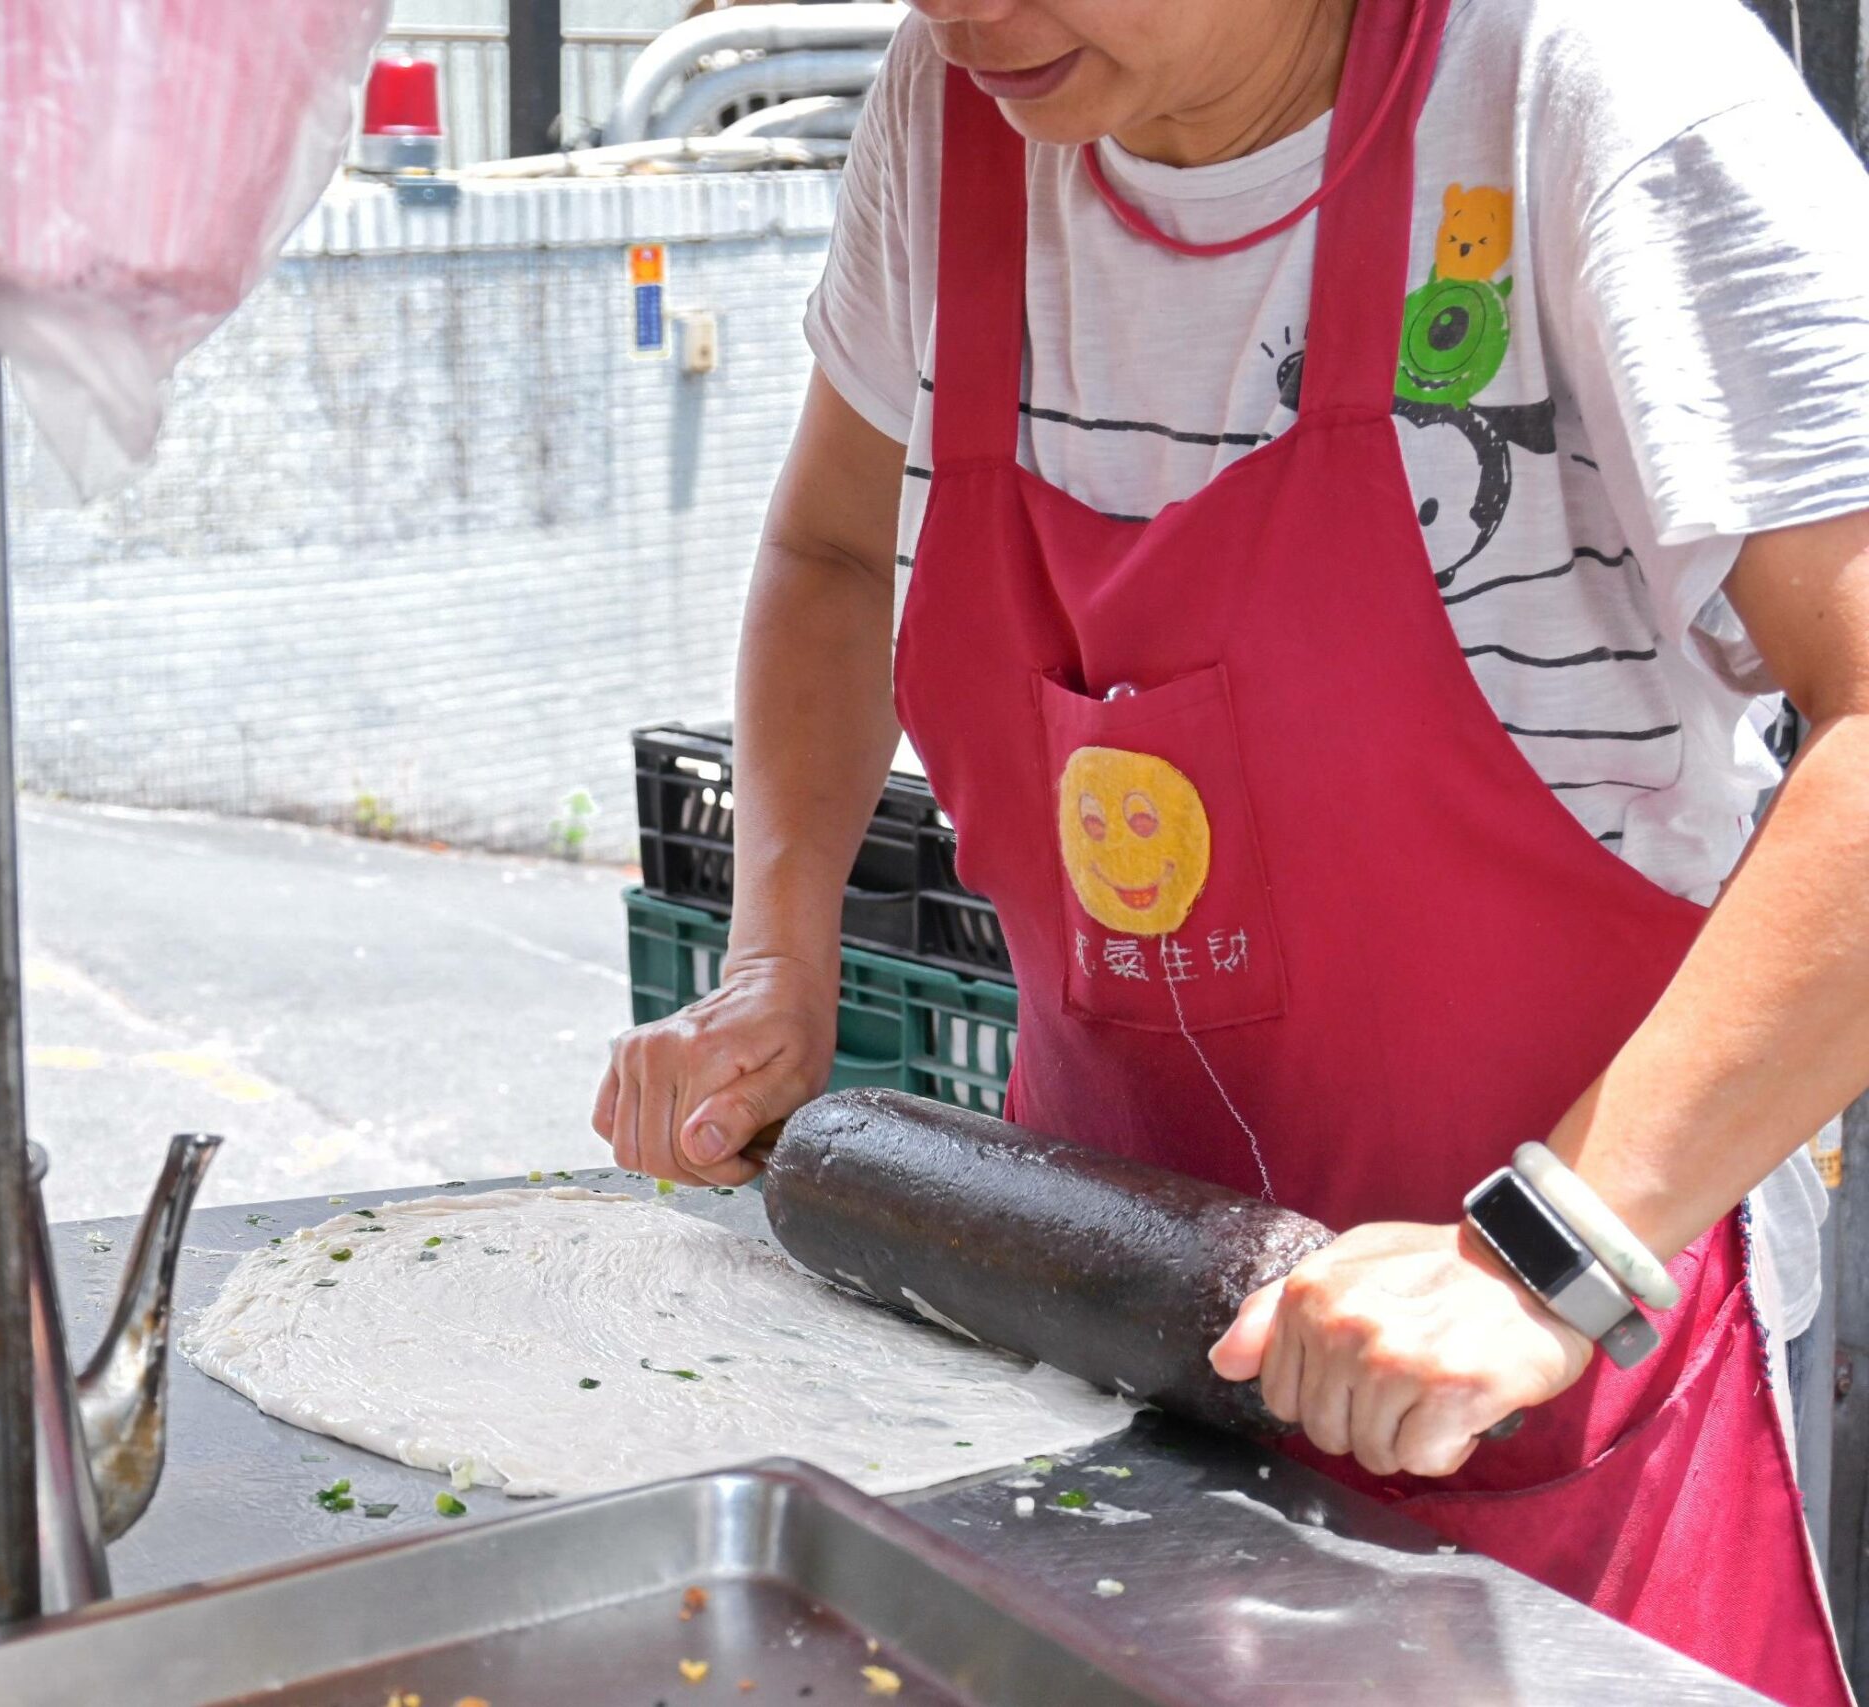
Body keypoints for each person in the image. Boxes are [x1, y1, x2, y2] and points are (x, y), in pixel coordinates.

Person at [591, 0, 1869, 1698]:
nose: (960, 9)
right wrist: (777, 957)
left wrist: (1545, 1252)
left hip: (1554, 1381)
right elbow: (834, 548)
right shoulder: (966, 103)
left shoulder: (1594, 87)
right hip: (1085, 1342)